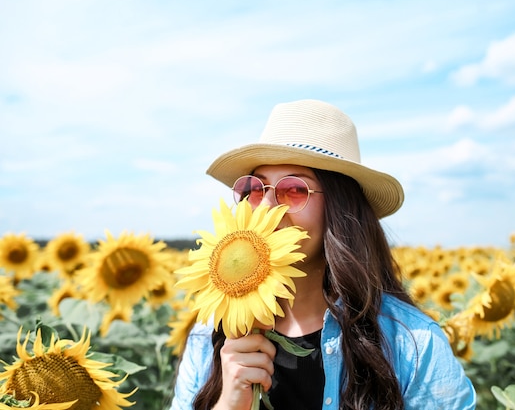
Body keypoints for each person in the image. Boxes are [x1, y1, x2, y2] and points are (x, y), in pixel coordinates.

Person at [169, 99, 476, 410]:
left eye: (295, 189)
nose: (267, 208)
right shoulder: (209, 336)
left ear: (341, 208)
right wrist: (228, 403)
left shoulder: (413, 346)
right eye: (257, 189)